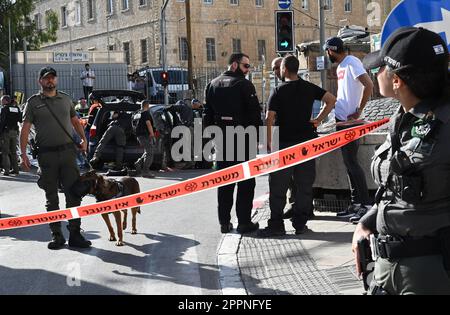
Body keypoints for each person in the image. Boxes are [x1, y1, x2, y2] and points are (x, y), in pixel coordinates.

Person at [352, 27, 450, 295]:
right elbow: (397, 187)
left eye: (380, 68)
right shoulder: (403, 117)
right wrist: (369, 221)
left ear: (397, 81)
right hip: (388, 268)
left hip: (431, 272)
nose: (375, 73)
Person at [258, 55, 336, 237]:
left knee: (278, 187)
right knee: (304, 186)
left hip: (284, 144)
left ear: (284, 69)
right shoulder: (309, 88)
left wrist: (268, 142)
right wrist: (318, 120)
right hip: (306, 145)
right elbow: (331, 100)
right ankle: (300, 224)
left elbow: (269, 118)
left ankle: (276, 224)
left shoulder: (278, 91)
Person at [20, 66, 91, 250]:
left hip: (68, 154)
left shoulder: (66, 99)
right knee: (51, 198)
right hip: (46, 156)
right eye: (46, 78)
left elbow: (75, 121)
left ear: (56, 80)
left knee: (73, 195)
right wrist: (23, 155)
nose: (49, 81)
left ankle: (75, 234)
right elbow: (25, 129)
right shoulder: (33, 103)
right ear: (40, 81)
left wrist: (83, 139)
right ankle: (57, 236)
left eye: (52, 78)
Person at [204, 53, 262, 234]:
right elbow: (254, 115)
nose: (248, 70)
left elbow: (207, 115)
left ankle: (224, 222)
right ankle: (244, 223)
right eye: (246, 66)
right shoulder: (244, 84)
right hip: (244, 141)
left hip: (222, 141)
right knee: (245, 183)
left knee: (225, 184)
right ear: (235, 65)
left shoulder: (212, 84)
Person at [324, 36, 374, 223]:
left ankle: (365, 205)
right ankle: (355, 203)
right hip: (341, 119)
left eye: (327, 51)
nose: (327, 54)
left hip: (351, 121)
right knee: (348, 162)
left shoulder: (352, 62)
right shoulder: (341, 66)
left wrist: (359, 111)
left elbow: (369, 85)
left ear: (331, 50)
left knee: (352, 162)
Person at [270, 56, 298, 221]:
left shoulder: (288, 88)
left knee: (292, 178)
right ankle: (294, 206)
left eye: (276, 67)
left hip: (290, 139)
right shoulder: (279, 88)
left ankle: (296, 210)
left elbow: (269, 117)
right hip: (281, 137)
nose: (275, 71)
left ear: (284, 68)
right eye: (273, 68)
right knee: (289, 180)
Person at [133, 100, 156, 178]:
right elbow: (148, 124)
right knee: (150, 152)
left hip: (139, 135)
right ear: (147, 105)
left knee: (147, 151)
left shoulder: (137, 114)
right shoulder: (146, 113)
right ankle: (145, 171)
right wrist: (152, 134)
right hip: (144, 135)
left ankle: (138, 163)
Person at [0, 95, 22, 175]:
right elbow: (20, 119)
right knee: (13, 152)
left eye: (2, 100)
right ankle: (16, 170)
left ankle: (6, 171)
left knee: (5, 152)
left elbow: (2, 122)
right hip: (15, 132)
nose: (1, 102)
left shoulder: (4, 109)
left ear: (6, 101)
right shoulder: (16, 108)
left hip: (6, 132)